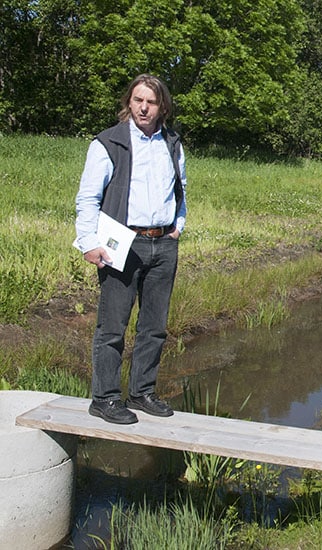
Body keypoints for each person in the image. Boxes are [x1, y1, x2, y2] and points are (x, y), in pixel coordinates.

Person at [74, 74, 187, 424]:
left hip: (163, 244)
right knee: (112, 327)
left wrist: (177, 227)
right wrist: (89, 243)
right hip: (121, 244)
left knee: (154, 327)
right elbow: (88, 198)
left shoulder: (172, 143)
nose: (143, 107)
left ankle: (141, 393)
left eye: (150, 101)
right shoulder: (109, 143)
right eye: (138, 100)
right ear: (129, 102)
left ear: (162, 106)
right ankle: (105, 398)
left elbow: (180, 190)